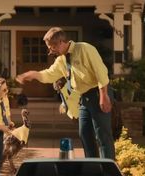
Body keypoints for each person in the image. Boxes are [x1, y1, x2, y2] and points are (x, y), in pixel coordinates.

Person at [16, 27, 115, 160]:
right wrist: (34, 74)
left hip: (98, 93)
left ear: (61, 42)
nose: (50, 51)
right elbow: (50, 75)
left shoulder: (85, 49)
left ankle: (108, 171)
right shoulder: (61, 60)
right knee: (85, 134)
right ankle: (94, 167)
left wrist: (104, 95)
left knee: (102, 135)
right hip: (84, 98)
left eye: (52, 47)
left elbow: (101, 72)